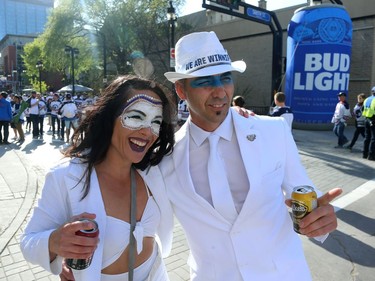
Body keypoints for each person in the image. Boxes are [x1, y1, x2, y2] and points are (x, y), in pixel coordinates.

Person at [161, 31, 342, 281]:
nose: (220, 92)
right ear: (181, 90)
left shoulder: (273, 131)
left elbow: (303, 192)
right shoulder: (165, 160)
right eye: (204, 81)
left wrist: (320, 221)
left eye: (225, 78)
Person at [21, 75, 176, 281]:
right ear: (109, 118)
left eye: (156, 121)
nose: (148, 131)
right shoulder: (66, 177)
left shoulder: (154, 172)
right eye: (137, 117)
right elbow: (28, 242)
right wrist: (55, 242)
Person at [362, 86, 375, 160]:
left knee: (367, 137)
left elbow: (362, 109)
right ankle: (371, 155)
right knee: (374, 138)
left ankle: (364, 154)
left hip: (366, 120)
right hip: (373, 120)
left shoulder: (367, 99)